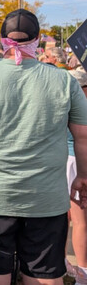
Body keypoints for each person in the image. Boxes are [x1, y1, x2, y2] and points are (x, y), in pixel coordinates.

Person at [0, 9, 87, 285]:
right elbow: (82, 136)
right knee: (43, 275)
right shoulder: (64, 80)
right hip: (45, 198)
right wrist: (82, 176)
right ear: (37, 40)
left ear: (1, 40)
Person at [68, 68, 87, 283]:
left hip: (70, 160)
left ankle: (80, 273)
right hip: (73, 160)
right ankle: (80, 273)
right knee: (78, 220)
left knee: (76, 219)